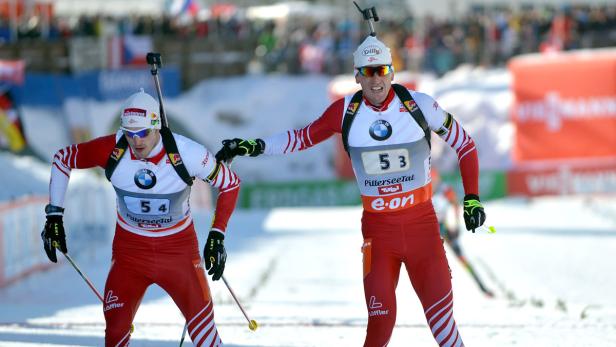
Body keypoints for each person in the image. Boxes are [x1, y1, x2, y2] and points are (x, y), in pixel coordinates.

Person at [215, 35, 487, 347]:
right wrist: (254, 146)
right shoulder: (345, 112)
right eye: (367, 72)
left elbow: (465, 144)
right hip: (379, 235)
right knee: (380, 324)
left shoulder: (420, 106)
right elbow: (300, 138)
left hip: (422, 230)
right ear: (357, 76)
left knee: (443, 325)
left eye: (381, 70)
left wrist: (472, 198)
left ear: (392, 72)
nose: (375, 80)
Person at [41, 89, 239, 347]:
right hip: (130, 255)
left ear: (157, 126)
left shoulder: (187, 153)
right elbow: (62, 159)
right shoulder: (113, 148)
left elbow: (230, 184)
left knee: (205, 335)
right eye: (130, 133)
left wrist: (217, 235)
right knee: (115, 333)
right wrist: (54, 216)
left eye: (143, 132)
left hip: (178, 252)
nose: (136, 141)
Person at [432, 169, 494, 297]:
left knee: (461, 257)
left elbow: (455, 205)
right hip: (428, 227)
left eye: (434, 180)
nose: (432, 183)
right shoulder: (422, 189)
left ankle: (482, 287)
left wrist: (455, 224)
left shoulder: (445, 189)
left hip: (444, 225)